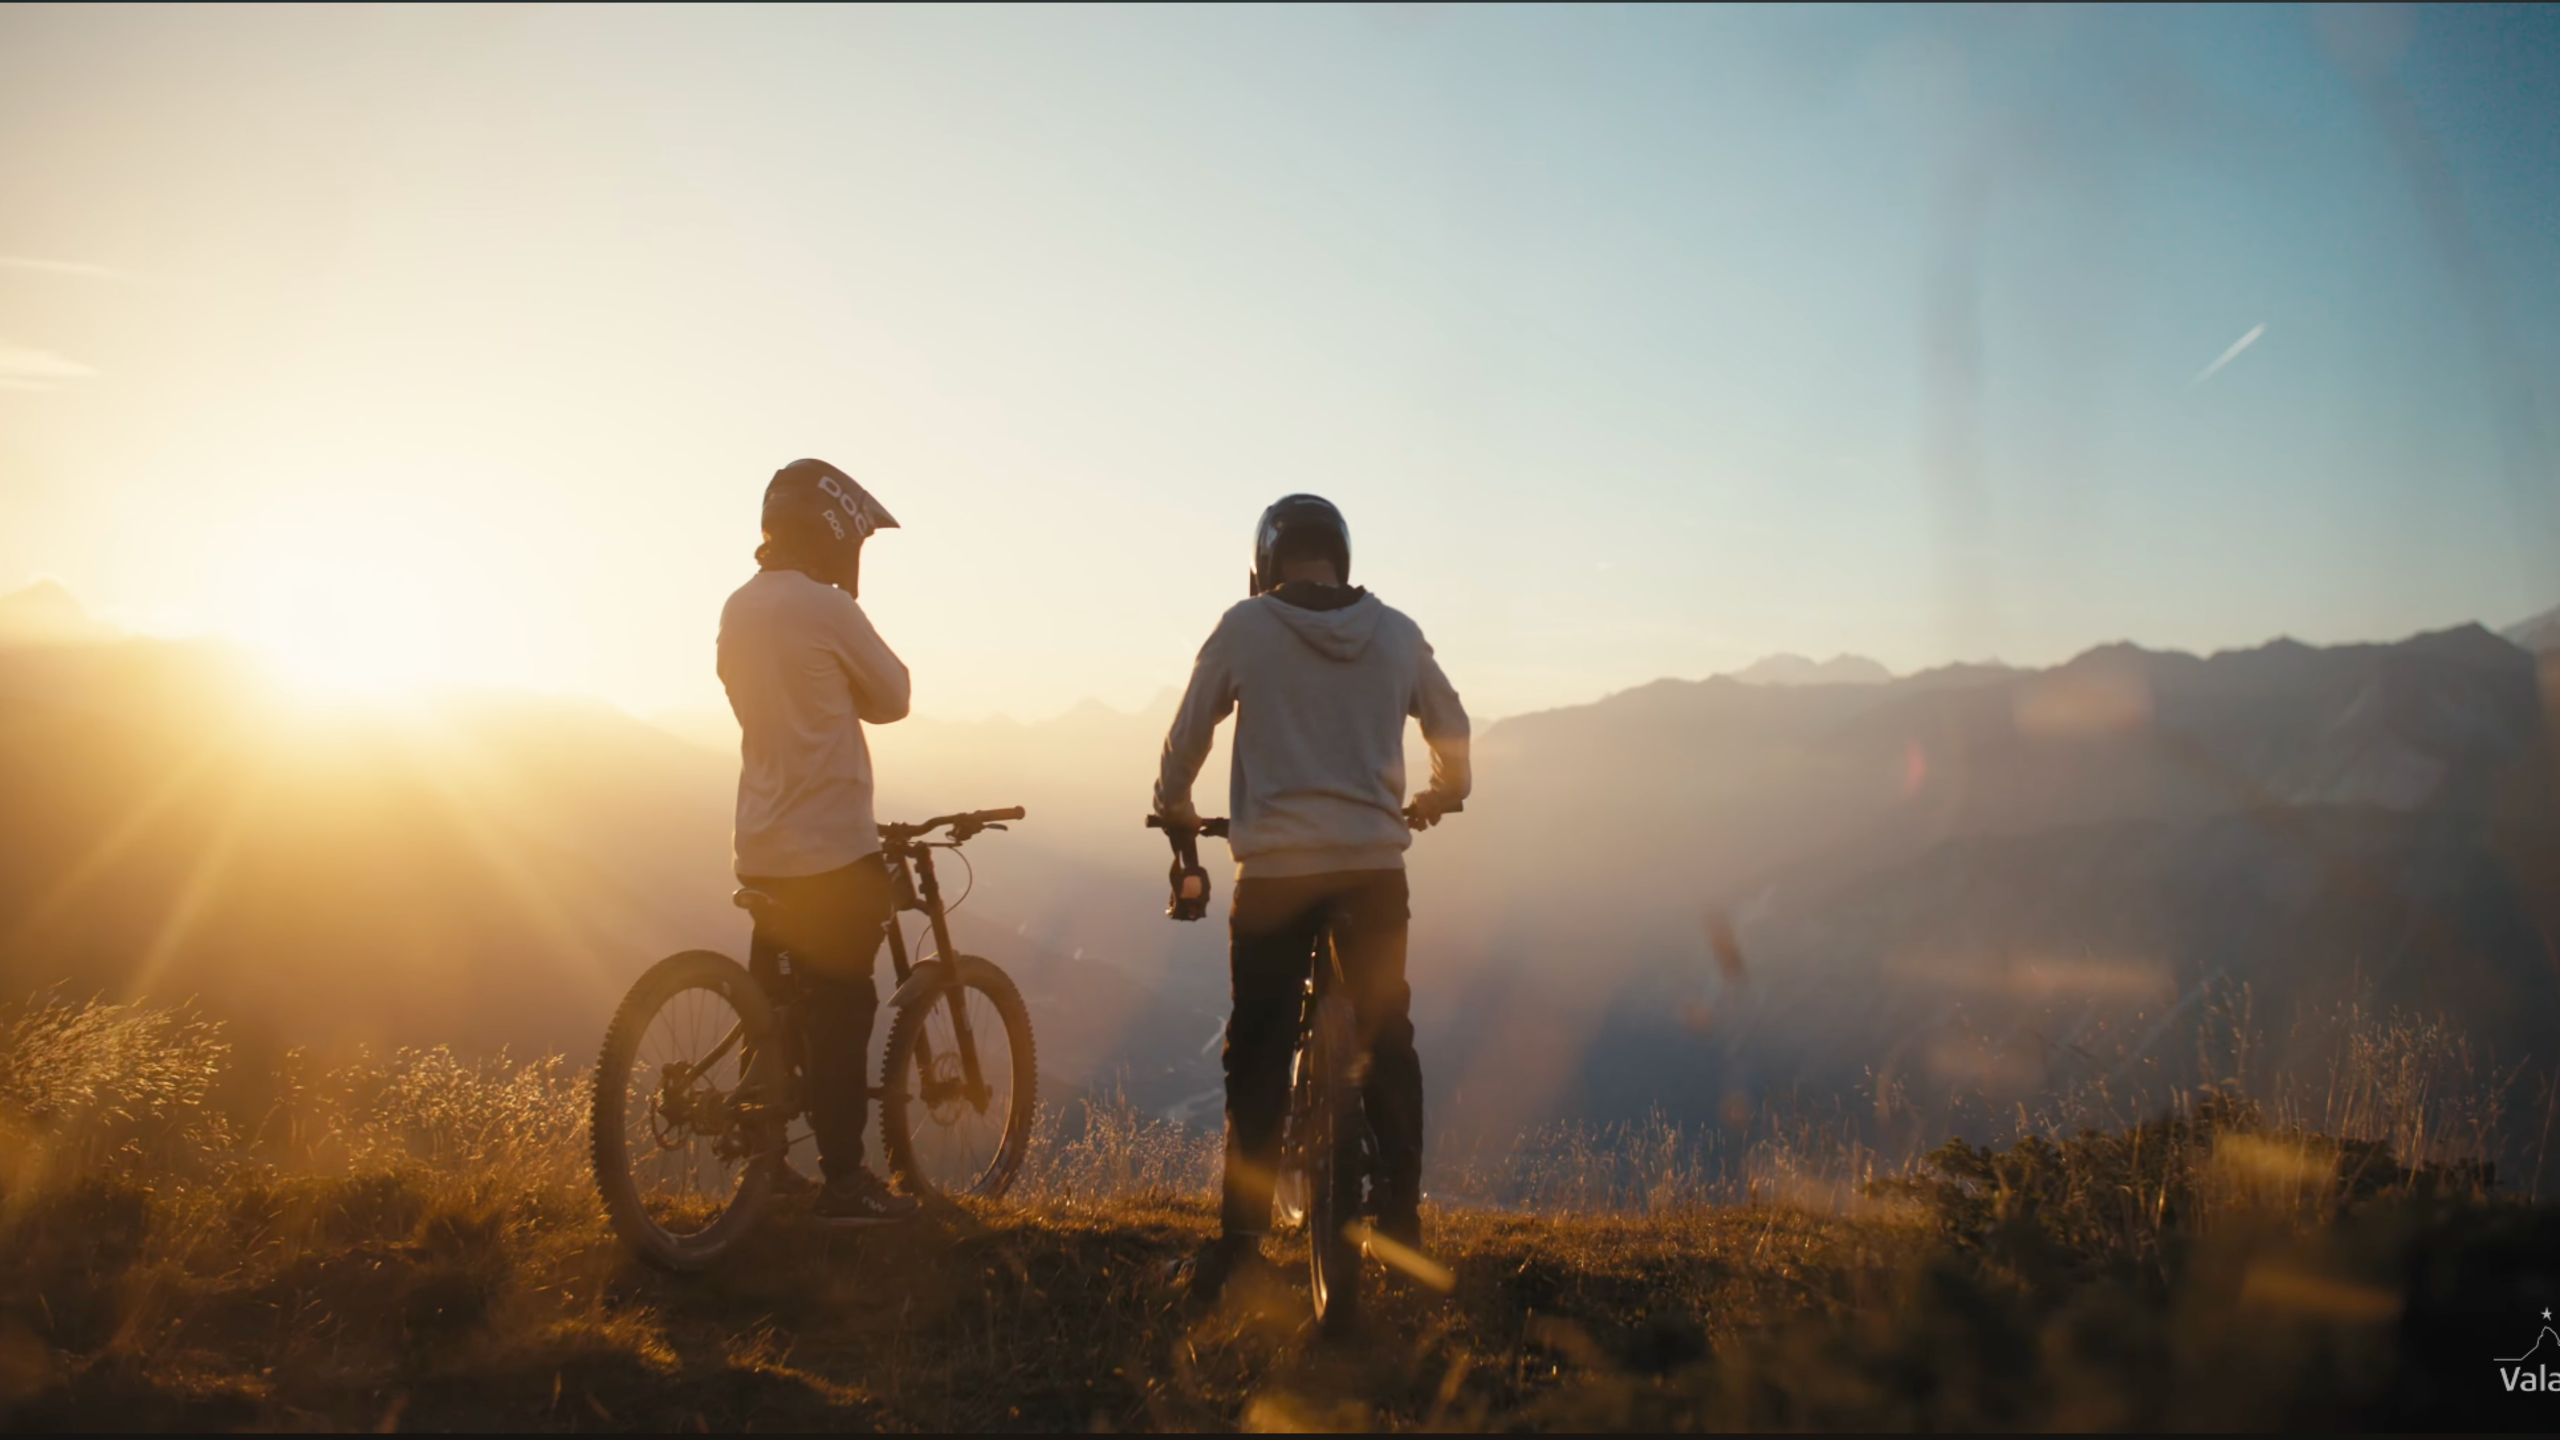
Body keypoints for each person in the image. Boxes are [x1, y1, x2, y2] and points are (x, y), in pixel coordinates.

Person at [1153, 493, 1471, 1302]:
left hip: (1276, 879)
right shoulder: (1397, 633)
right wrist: (1442, 791)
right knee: (1387, 1030)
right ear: (1342, 557)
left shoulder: (1245, 627)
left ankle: (1241, 1243)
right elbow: (1453, 729)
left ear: (1265, 562)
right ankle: (1400, 1217)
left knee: (1257, 1049)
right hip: (1372, 870)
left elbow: (1188, 734)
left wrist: (1177, 805)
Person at [717, 457, 921, 1225]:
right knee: (845, 1007)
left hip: (761, 841)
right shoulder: (827, 608)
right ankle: (845, 1180)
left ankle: (764, 1166)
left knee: (768, 1005)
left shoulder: (738, 607)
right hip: (832, 849)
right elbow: (893, 699)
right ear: (833, 532)